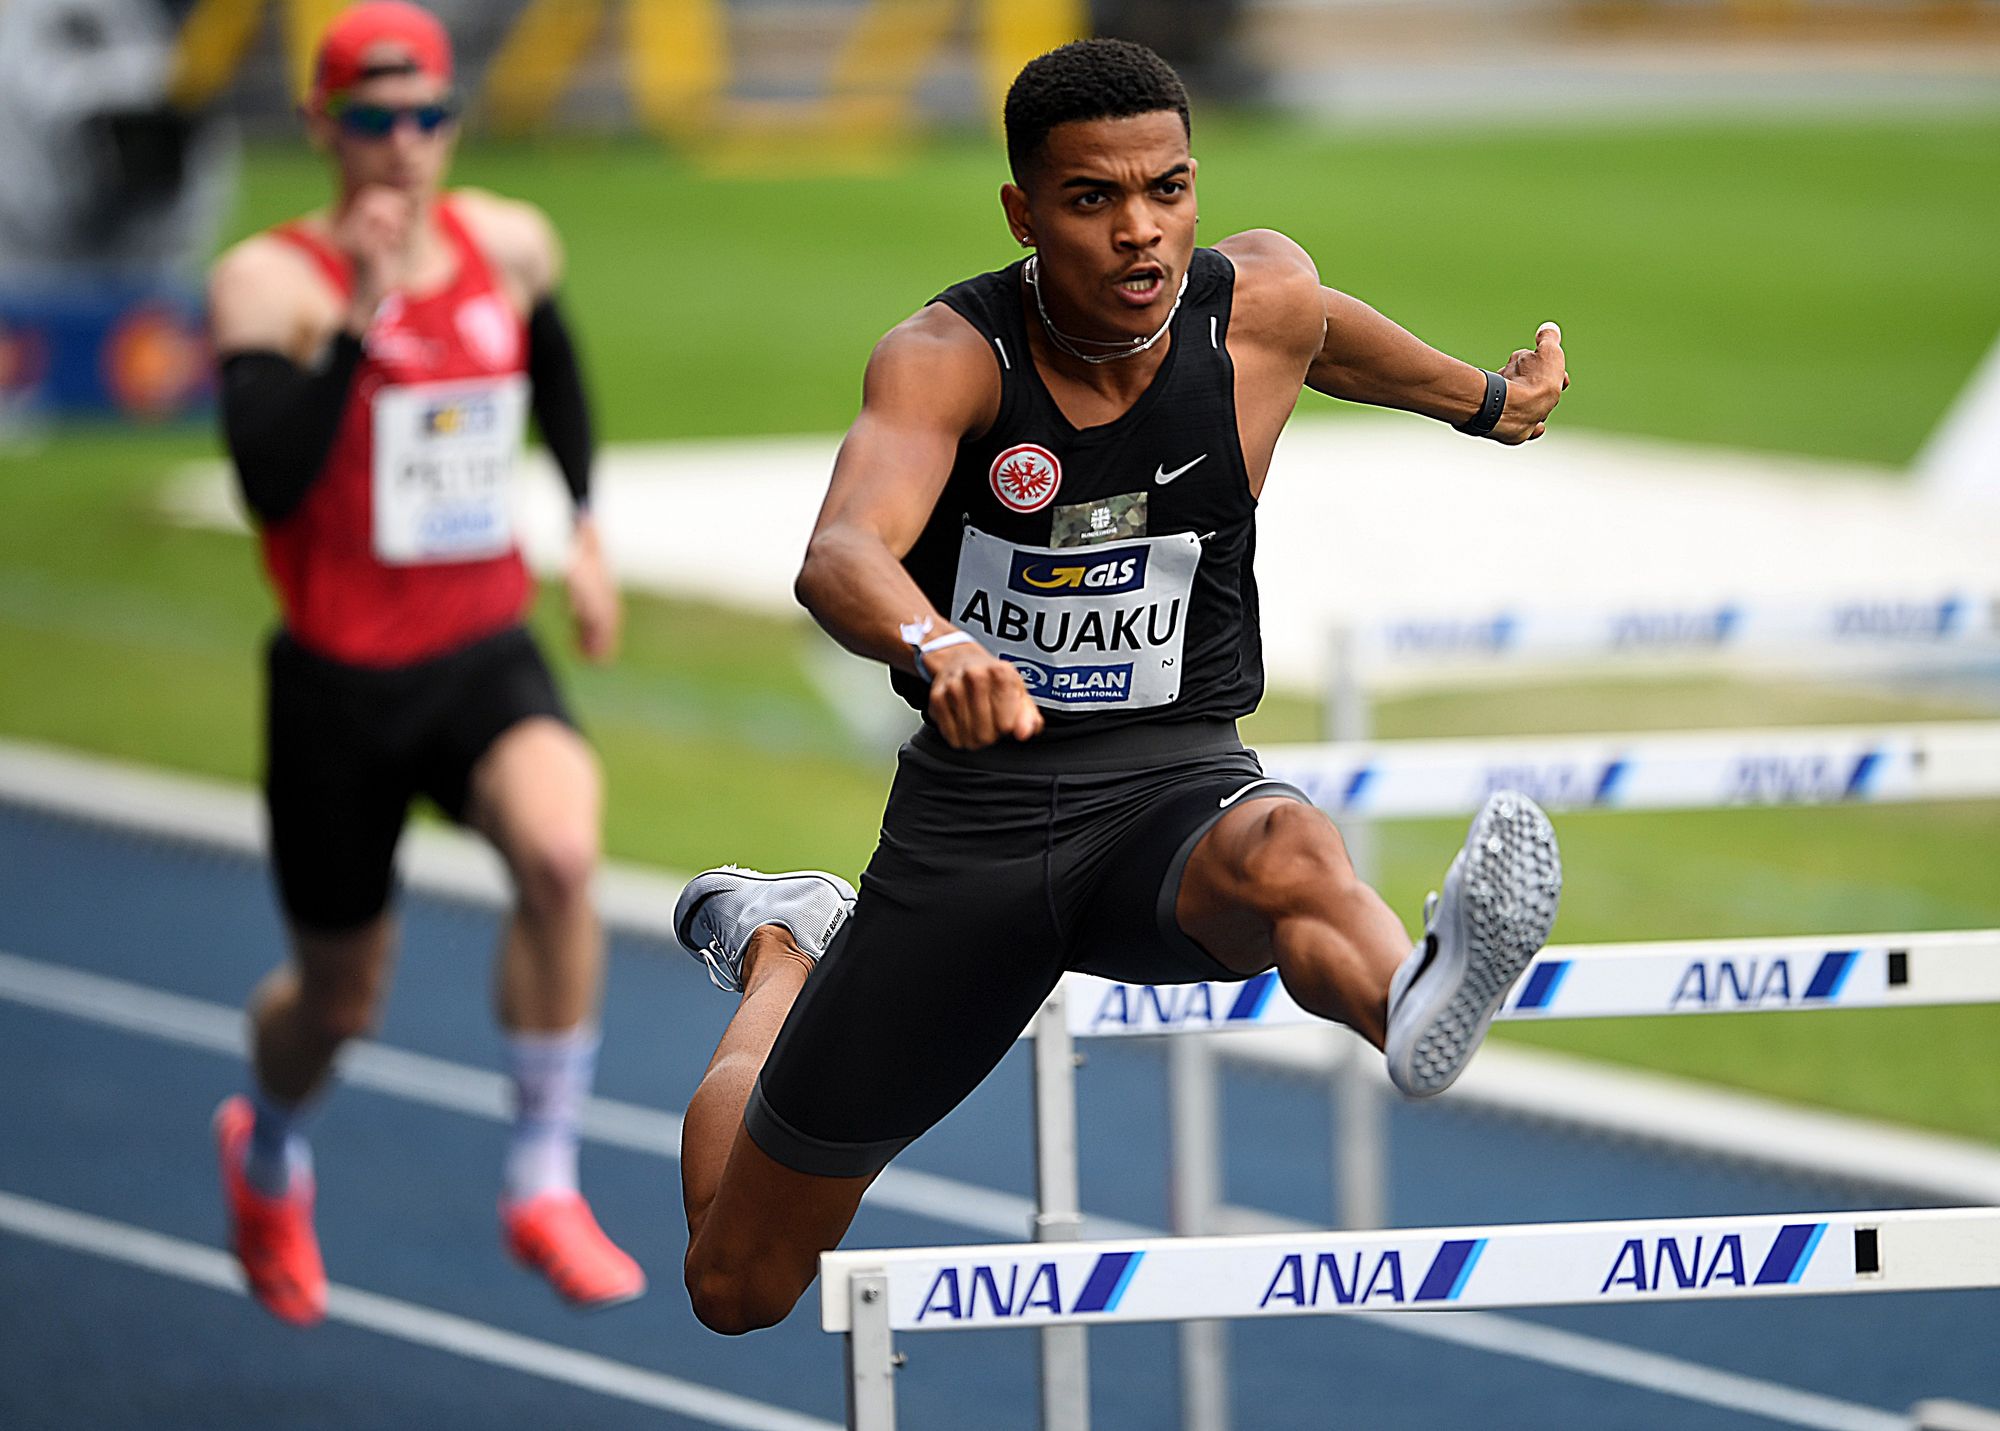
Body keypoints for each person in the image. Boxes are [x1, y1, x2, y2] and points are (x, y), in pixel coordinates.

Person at [670, 38, 1568, 1335]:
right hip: (974, 835)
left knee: (1291, 846)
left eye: (1168, 189)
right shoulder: (948, 356)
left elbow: (1328, 335)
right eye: (1093, 199)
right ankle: (784, 951)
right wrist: (938, 646)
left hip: (1170, 788)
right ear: (1024, 213)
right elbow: (843, 554)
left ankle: (1413, 1003)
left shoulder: (1254, 306)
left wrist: (1487, 401)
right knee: (738, 1283)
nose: (1140, 229)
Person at [205, 0, 641, 1326]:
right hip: (339, 685)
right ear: (321, 125)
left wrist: (583, 527)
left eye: (429, 115)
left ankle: (542, 1179)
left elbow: (554, 366)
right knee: (339, 1003)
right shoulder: (270, 284)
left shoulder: (508, 243)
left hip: (479, 650)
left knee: (561, 854)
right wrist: (360, 313)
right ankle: (269, 1148)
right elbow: (269, 482)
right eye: (375, 118)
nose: (405, 143)